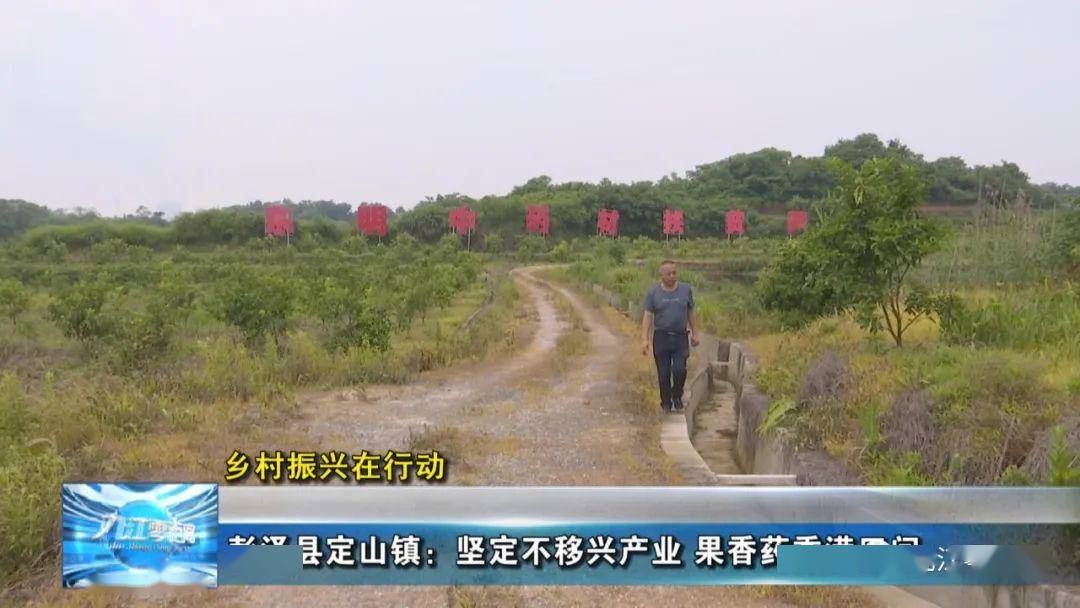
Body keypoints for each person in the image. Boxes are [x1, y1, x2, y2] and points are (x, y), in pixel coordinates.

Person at [641, 260, 700, 412]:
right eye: (669, 273)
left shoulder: (686, 290)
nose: (672, 276)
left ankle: (677, 395)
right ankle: (666, 402)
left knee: (680, 369)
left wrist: (695, 333)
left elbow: (690, 313)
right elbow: (648, 316)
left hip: (680, 337)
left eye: (674, 272)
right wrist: (644, 339)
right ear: (661, 275)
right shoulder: (653, 293)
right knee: (663, 373)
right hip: (661, 337)